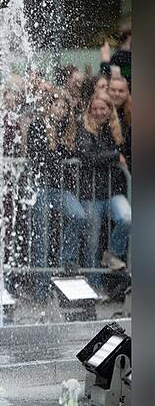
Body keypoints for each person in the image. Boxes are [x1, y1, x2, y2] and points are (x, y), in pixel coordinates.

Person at [26, 88, 87, 301]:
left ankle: (67, 263)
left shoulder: (70, 128)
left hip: (61, 188)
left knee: (78, 215)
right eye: (56, 105)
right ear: (48, 106)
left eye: (64, 106)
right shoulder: (37, 125)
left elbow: (77, 152)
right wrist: (60, 150)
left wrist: (59, 150)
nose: (60, 110)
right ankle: (40, 287)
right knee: (41, 234)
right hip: (40, 186)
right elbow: (39, 155)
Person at [76, 90, 131, 279]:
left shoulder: (117, 129)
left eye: (103, 108)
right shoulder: (83, 128)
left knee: (126, 218)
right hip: (90, 193)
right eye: (95, 109)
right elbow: (87, 156)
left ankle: (113, 254)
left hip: (112, 190)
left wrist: (112, 158)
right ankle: (93, 285)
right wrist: (114, 157)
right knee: (91, 242)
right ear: (90, 110)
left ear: (110, 110)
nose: (99, 112)